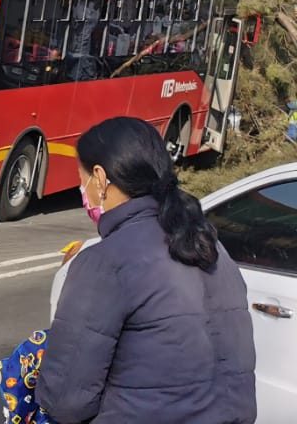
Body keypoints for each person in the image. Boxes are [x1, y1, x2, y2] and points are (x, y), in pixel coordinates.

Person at [38, 117, 256, 424]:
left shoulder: (104, 261)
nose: (83, 190)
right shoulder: (213, 248)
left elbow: (66, 401)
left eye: (82, 179)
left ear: (100, 179)